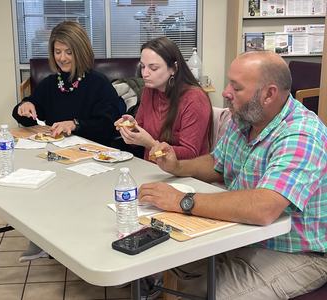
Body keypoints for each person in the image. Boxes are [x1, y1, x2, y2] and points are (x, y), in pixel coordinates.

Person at [139, 51, 327, 299]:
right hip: (243, 234)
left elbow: (264, 207)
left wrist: (181, 201)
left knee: (211, 294)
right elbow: (218, 163)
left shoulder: (302, 134)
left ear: (269, 94)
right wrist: (177, 167)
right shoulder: (246, 119)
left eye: (236, 87)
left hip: (295, 251)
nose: (226, 92)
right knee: (163, 255)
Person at [13, 21, 121, 262]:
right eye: (57, 51)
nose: (62, 58)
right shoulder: (53, 83)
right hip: (59, 157)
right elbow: (25, 112)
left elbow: (108, 124)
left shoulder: (98, 83)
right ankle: (44, 239)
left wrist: (75, 124)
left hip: (94, 159)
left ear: (80, 51)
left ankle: (76, 243)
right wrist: (25, 105)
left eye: (68, 52)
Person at [115, 37, 212, 161]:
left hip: (184, 174)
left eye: (153, 68)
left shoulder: (194, 98)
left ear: (174, 68)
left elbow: (190, 154)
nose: (145, 74)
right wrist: (131, 129)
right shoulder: (149, 91)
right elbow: (137, 140)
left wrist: (151, 144)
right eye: (143, 67)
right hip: (153, 167)